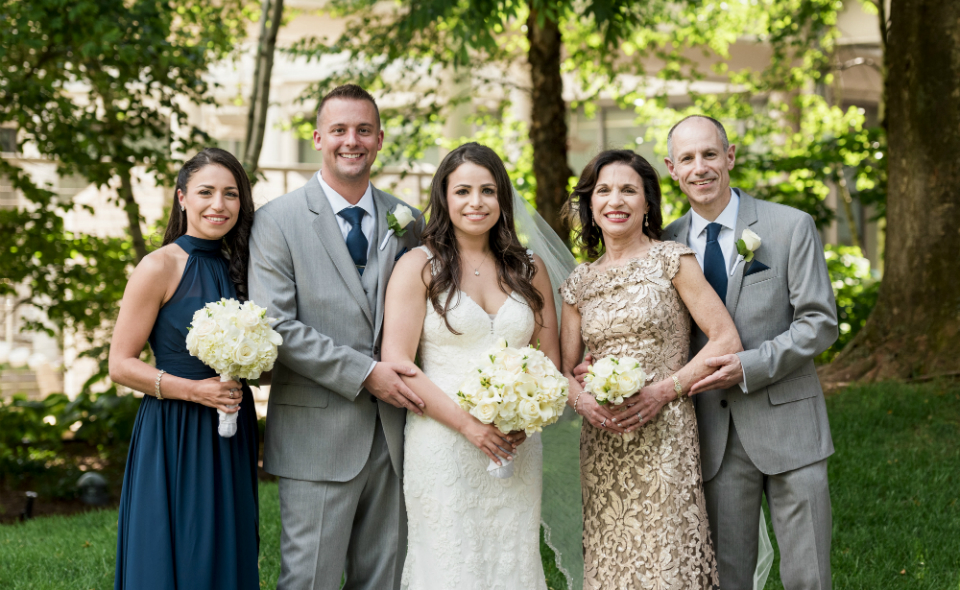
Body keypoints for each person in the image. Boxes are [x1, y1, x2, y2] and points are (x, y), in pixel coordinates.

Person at [248, 84, 424, 590]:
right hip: (316, 436)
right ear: (318, 137)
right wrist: (367, 373)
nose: (353, 141)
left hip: (397, 436)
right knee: (310, 580)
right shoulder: (276, 221)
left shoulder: (407, 220)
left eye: (364, 130)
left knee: (385, 580)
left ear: (380, 139)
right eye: (341, 130)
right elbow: (276, 326)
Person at [662, 115, 838, 590]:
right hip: (711, 435)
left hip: (791, 424)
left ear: (730, 156)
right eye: (688, 159)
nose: (700, 167)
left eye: (710, 154)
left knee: (809, 575)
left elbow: (819, 323)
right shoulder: (662, 245)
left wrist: (750, 366)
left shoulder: (789, 226)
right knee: (727, 578)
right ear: (671, 169)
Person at [559, 149, 743, 590]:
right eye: (603, 190)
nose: (615, 200)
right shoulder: (579, 282)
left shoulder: (672, 260)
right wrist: (584, 402)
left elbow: (725, 339)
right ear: (590, 204)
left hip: (666, 435)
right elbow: (561, 369)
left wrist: (665, 390)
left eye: (628, 190)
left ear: (646, 203)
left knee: (668, 563)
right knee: (612, 564)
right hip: (604, 440)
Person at [381, 142, 560, 590]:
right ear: (444, 197)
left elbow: (549, 362)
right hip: (442, 441)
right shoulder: (418, 266)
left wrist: (526, 422)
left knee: (512, 559)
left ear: (503, 198)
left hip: (515, 445)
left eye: (487, 190)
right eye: (463, 191)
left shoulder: (530, 269)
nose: (476, 202)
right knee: (448, 562)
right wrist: (469, 426)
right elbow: (398, 364)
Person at [110, 148, 260, 590]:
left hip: (232, 423)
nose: (219, 204)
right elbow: (120, 364)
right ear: (181, 198)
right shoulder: (158, 266)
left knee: (228, 542)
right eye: (206, 192)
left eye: (230, 194)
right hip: (175, 425)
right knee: (178, 542)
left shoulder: (244, 268)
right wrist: (195, 392)